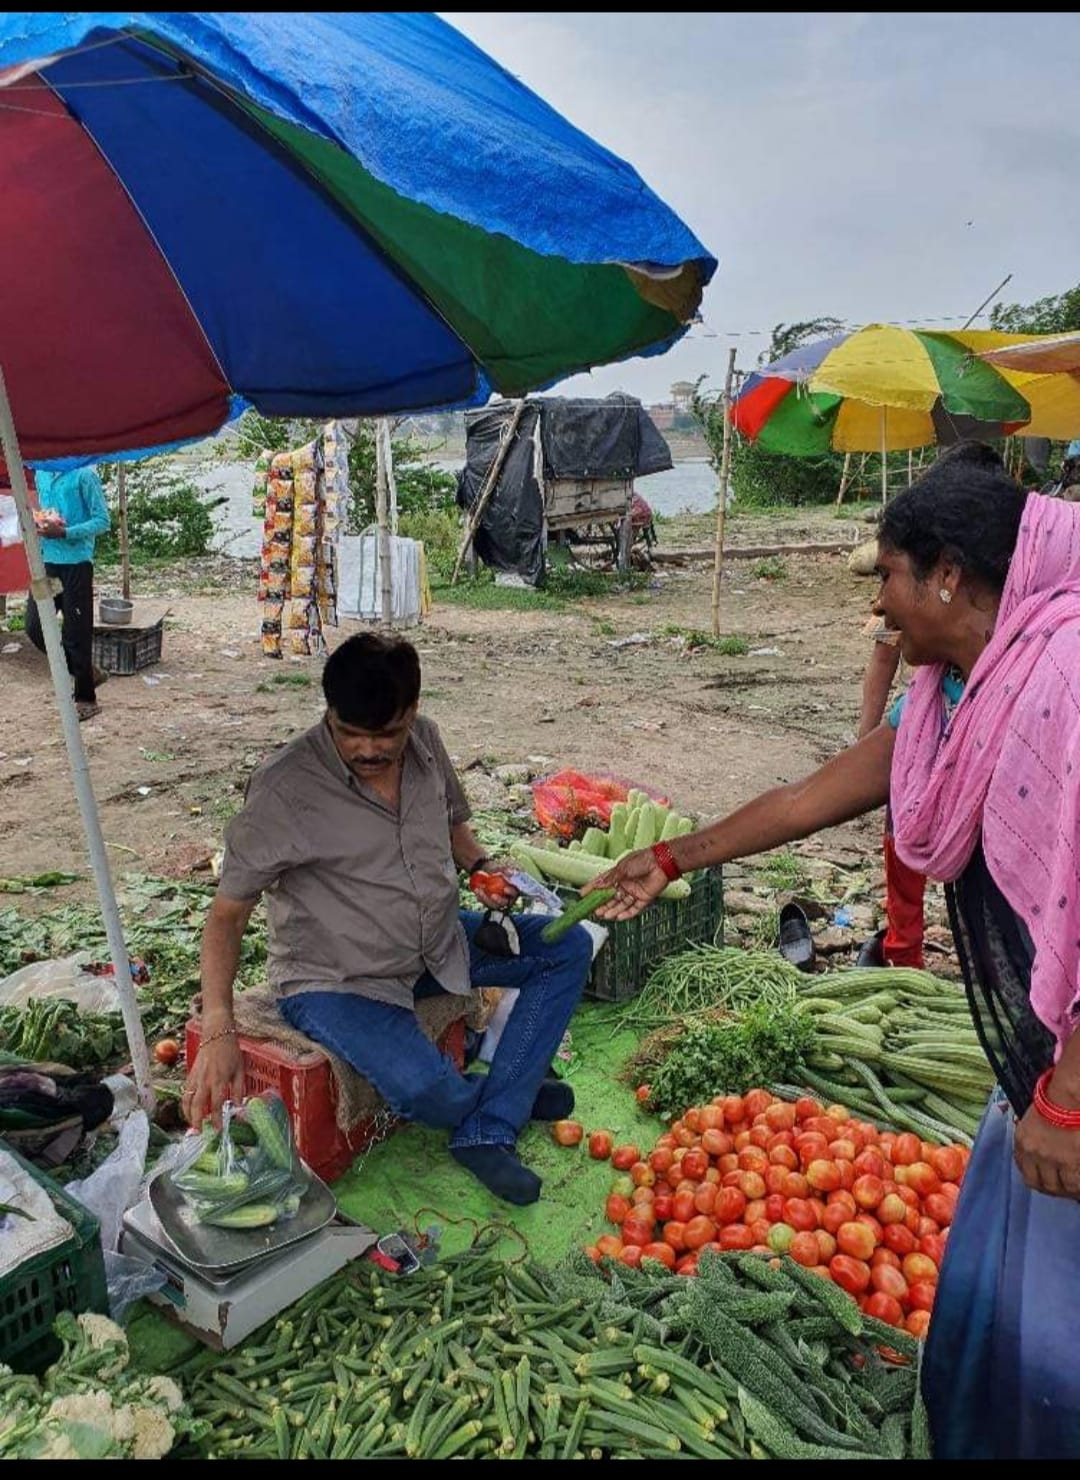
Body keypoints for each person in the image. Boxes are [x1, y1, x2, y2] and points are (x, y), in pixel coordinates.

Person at [596, 443, 1080, 1458]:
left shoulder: (1060, 685)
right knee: (1004, 1301)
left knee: (1060, 1336)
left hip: (1071, 1076)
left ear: (948, 571)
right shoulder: (953, 696)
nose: (882, 608)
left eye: (892, 579)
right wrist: (673, 856)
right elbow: (808, 799)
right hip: (1038, 1058)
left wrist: (1069, 1095)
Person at [183, 632, 592, 1206]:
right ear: (329, 712)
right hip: (337, 981)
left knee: (567, 946)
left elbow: (453, 825)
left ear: (413, 712)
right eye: (351, 734)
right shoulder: (285, 789)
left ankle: (490, 1122)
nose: (370, 750)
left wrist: (479, 865)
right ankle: (501, 1098)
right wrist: (221, 1025)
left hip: (435, 944)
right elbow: (226, 917)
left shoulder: (425, 743)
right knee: (432, 1096)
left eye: (387, 734)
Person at [26, 464, 110, 721]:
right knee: (35, 627)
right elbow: (49, 512)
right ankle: (85, 671)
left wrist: (65, 532)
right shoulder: (41, 474)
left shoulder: (84, 475)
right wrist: (40, 522)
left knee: (76, 633)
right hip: (47, 564)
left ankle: (86, 698)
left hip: (77, 565)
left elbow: (102, 520)